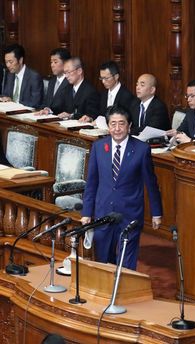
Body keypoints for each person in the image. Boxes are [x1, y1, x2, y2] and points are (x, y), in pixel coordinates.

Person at [81, 106, 162, 270]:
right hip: (103, 212)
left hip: (130, 213)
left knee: (127, 262)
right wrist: (87, 213)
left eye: (121, 124)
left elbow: (151, 184)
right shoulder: (98, 147)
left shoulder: (141, 149)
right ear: (108, 126)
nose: (117, 129)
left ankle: (124, 293)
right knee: (103, 260)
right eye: (113, 124)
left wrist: (156, 213)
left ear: (129, 126)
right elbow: (92, 183)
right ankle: (106, 293)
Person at [0, 43, 43, 108]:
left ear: (20, 60)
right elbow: (5, 95)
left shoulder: (34, 77)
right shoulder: (9, 75)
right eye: (6, 62)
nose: (8, 65)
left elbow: (35, 103)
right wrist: (3, 98)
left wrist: (14, 103)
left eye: (11, 62)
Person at [58, 57, 100, 121]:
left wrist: (71, 116)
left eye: (68, 72)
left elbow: (91, 115)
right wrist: (48, 110)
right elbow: (60, 108)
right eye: (65, 73)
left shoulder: (90, 91)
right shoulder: (67, 89)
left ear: (79, 71)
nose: (66, 76)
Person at [39, 48, 71, 115]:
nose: (52, 65)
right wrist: (45, 109)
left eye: (55, 62)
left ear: (66, 63)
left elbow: (67, 108)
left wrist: (49, 110)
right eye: (51, 62)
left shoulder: (70, 82)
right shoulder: (52, 81)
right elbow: (46, 102)